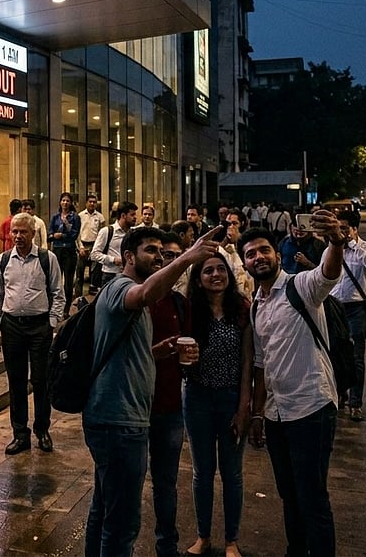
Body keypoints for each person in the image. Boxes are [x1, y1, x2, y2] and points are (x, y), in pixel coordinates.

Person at [84, 226, 218, 556]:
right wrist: (187, 258)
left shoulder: (137, 298)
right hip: (119, 420)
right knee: (123, 524)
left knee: (106, 509)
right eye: (151, 250)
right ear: (128, 256)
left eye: (162, 251)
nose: (159, 257)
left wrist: (155, 352)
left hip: (122, 418)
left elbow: (126, 348)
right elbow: (144, 294)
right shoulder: (120, 287)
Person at [241, 213, 346, 557]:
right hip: (277, 415)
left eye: (264, 250)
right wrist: (258, 414)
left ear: (277, 254)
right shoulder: (256, 306)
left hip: (311, 407)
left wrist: (335, 241)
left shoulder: (300, 287)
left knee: (312, 496)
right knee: (288, 494)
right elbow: (261, 364)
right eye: (251, 254)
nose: (258, 257)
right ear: (244, 264)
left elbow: (328, 273)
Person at [183, 252, 254, 557]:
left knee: (232, 473)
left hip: (230, 398)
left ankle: (231, 540)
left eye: (221, 269)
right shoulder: (190, 311)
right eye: (208, 271)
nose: (216, 275)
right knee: (202, 472)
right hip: (197, 397)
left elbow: (248, 362)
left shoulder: (242, 310)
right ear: (198, 280)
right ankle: (203, 536)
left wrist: (244, 406)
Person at [0, 213, 64, 455]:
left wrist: (51, 322)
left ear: (33, 233)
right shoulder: (3, 260)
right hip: (12, 326)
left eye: (23, 232)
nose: (18, 236)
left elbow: (58, 293)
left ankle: (42, 430)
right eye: (14, 231)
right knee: (16, 381)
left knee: (41, 380)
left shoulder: (47, 258)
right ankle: (20, 434)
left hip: (40, 326)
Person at [145, 234, 197, 557]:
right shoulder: (137, 298)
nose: (167, 261)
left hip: (169, 406)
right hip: (135, 408)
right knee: (125, 482)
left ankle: (167, 545)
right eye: (162, 254)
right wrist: (156, 352)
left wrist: (190, 357)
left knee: (166, 482)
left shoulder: (180, 303)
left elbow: (188, 349)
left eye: (176, 256)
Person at [330, 210, 366, 421]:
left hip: (356, 308)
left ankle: (355, 403)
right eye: (338, 228)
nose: (340, 232)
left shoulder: (365, 248)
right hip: (334, 307)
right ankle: (339, 395)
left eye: (344, 228)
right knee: (334, 355)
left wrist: (352, 244)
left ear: (354, 229)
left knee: (356, 357)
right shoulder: (332, 248)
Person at [90, 201, 138, 282]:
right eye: (132, 215)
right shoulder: (107, 231)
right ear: (123, 216)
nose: (135, 217)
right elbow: (94, 254)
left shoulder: (133, 233)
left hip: (129, 274)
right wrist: (113, 260)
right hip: (110, 275)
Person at [49, 192, 81, 309]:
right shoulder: (55, 217)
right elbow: (49, 234)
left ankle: (67, 308)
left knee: (68, 281)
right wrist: (54, 236)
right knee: (55, 279)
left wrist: (61, 235)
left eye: (67, 201)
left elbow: (74, 235)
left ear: (71, 203)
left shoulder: (75, 217)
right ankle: (55, 306)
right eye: (63, 200)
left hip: (69, 251)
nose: (65, 203)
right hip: (57, 250)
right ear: (60, 202)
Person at [218, 210, 254, 298]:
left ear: (242, 224)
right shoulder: (224, 245)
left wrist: (238, 240)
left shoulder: (249, 241)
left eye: (234, 223)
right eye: (228, 224)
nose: (231, 227)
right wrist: (226, 241)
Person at [77, 195, 105, 296]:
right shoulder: (80, 216)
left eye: (94, 202)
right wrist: (80, 247)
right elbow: (77, 234)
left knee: (95, 272)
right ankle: (78, 295)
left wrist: (98, 247)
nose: (92, 204)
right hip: (83, 245)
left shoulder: (100, 217)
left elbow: (102, 233)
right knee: (80, 272)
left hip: (95, 245)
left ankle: (92, 295)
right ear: (86, 203)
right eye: (90, 202)